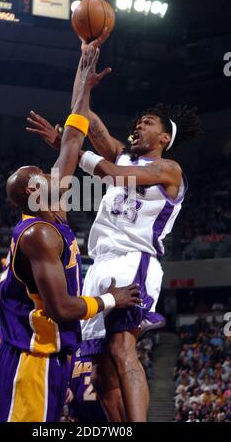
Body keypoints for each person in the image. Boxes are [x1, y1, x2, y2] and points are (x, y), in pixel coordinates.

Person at [28, 43, 201, 422]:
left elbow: (111, 173)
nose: (139, 125)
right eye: (138, 121)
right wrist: (83, 73)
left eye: (148, 123)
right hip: (101, 262)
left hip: (134, 260)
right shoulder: (121, 154)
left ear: (164, 139)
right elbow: (86, 120)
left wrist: (72, 149)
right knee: (101, 370)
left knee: (123, 349)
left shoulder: (169, 169)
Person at [0, 45, 141, 422]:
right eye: (43, 174)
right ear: (35, 193)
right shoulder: (39, 235)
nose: (53, 174)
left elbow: (71, 140)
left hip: (50, 357)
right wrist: (110, 300)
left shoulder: (53, 206)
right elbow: (61, 308)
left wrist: (83, 79)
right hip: (28, 362)